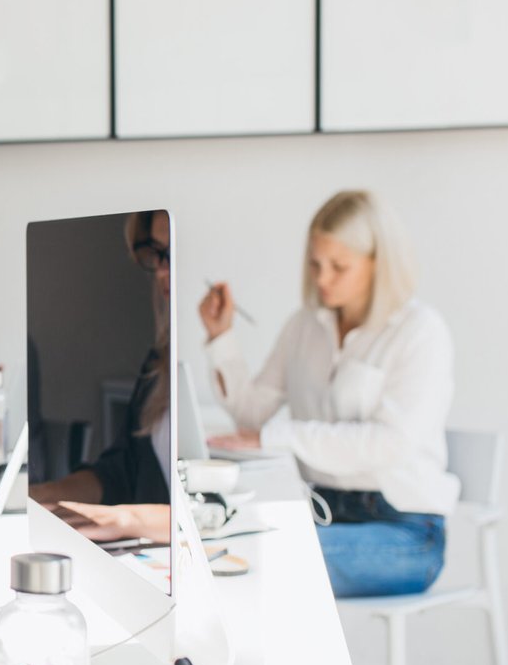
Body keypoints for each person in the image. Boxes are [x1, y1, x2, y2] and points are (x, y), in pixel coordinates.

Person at [201, 190, 456, 597]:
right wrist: (220, 337)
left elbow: (388, 443)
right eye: (316, 264)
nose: (322, 279)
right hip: (320, 513)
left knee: (266, 559)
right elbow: (252, 417)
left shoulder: (420, 331)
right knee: (214, 548)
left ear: (379, 265)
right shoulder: (304, 326)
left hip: (403, 529)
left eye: (339, 267)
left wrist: (278, 437)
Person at [28, 210, 173, 545]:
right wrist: (44, 495)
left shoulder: (229, 379)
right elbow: (120, 473)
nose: (163, 271)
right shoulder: (159, 362)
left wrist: (128, 518)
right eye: (157, 254)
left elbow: (221, 510)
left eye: (172, 255)